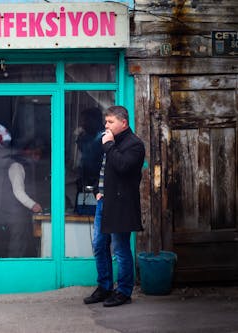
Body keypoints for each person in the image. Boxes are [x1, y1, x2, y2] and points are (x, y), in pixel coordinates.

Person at [83, 105, 145, 307]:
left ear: (123, 123)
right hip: (104, 201)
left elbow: (124, 166)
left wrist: (109, 146)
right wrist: (96, 191)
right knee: (99, 245)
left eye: (110, 122)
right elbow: (95, 167)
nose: (106, 125)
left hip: (121, 205)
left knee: (120, 248)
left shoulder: (135, 144)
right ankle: (104, 287)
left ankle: (124, 292)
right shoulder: (106, 141)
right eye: (105, 121)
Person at [0, 142, 45, 257]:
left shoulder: (23, 164)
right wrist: (33, 205)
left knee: (21, 242)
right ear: (28, 152)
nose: (38, 158)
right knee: (17, 243)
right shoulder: (16, 166)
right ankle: (13, 270)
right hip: (14, 212)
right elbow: (18, 191)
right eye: (36, 154)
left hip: (17, 211)